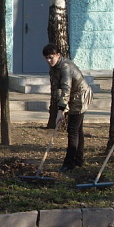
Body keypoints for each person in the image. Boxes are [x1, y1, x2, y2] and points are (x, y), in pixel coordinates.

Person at [43, 43, 93, 172]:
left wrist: (61, 110)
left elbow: (66, 89)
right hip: (72, 96)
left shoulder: (65, 67)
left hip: (79, 96)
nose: (48, 61)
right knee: (78, 129)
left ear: (58, 55)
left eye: (51, 57)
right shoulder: (55, 66)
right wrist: (61, 106)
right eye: (46, 58)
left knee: (73, 130)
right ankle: (78, 159)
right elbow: (58, 88)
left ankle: (69, 163)